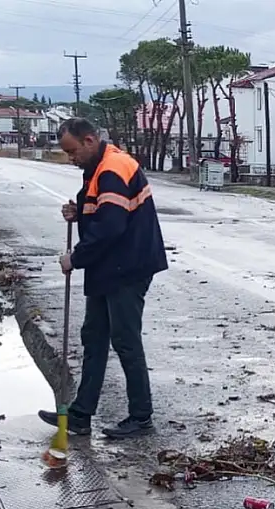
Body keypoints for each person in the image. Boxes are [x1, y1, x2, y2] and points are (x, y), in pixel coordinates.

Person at [36, 117, 169, 439]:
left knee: (125, 340)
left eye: (72, 151)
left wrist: (75, 258)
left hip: (128, 266)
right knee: (93, 337)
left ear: (90, 140)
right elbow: (102, 210)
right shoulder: (98, 169)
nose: (71, 158)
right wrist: (79, 211)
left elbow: (111, 226)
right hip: (109, 266)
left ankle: (141, 416)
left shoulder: (113, 168)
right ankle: (80, 415)